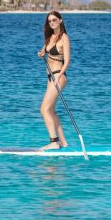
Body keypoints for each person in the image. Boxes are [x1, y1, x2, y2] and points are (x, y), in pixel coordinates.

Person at [36, 11, 71, 149]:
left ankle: (54, 142)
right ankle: (63, 142)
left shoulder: (64, 38)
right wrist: (41, 53)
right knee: (51, 110)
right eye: (50, 21)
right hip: (50, 77)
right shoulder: (50, 37)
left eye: (54, 20)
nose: (52, 22)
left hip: (58, 76)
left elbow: (67, 61)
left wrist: (58, 77)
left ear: (60, 21)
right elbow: (44, 51)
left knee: (44, 109)